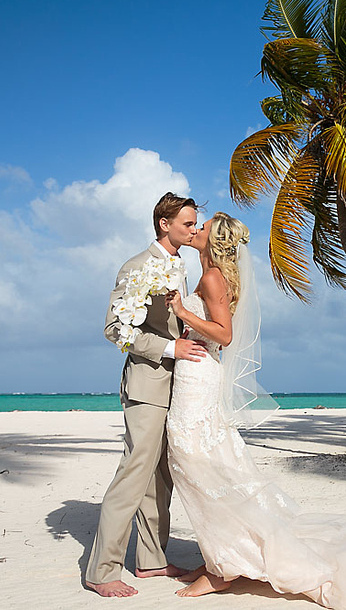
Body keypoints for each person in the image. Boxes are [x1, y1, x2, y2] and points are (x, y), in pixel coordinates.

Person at [163, 212, 346, 608]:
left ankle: (220, 573)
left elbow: (226, 334)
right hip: (193, 376)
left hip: (199, 382)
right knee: (202, 469)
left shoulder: (213, 277)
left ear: (214, 241)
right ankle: (216, 558)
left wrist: (184, 314)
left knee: (200, 467)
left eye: (201, 228)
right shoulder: (207, 275)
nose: (193, 230)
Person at [85, 193, 210, 598]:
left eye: (195, 224)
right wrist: (171, 349)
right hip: (145, 384)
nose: (194, 230)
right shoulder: (136, 267)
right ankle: (102, 570)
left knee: (162, 476)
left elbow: (173, 323)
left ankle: (152, 560)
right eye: (188, 224)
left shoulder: (181, 267)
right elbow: (116, 329)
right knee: (134, 473)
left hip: (178, 385)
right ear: (164, 224)